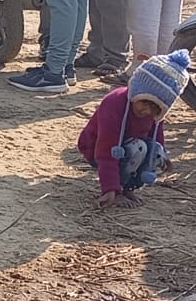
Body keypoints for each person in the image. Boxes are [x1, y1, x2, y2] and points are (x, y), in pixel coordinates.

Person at [76, 49, 188, 207]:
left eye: (155, 108)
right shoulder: (114, 103)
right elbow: (106, 149)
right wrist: (110, 189)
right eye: (144, 103)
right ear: (136, 91)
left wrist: (163, 154)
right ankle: (118, 189)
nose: (147, 111)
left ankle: (129, 187)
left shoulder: (155, 113)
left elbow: (156, 133)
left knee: (155, 151)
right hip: (98, 148)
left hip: (129, 145)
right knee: (139, 148)